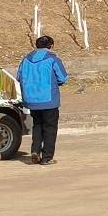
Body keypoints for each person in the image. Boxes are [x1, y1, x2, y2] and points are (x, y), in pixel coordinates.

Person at [17, 35, 68, 165]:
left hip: (31, 100)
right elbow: (62, 78)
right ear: (50, 46)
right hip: (49, 99)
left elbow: (19, 77)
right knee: (50, 128)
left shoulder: (25, 60)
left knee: (37, 125)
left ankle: (35, 150)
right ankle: (47, 157)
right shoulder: (52, 59)